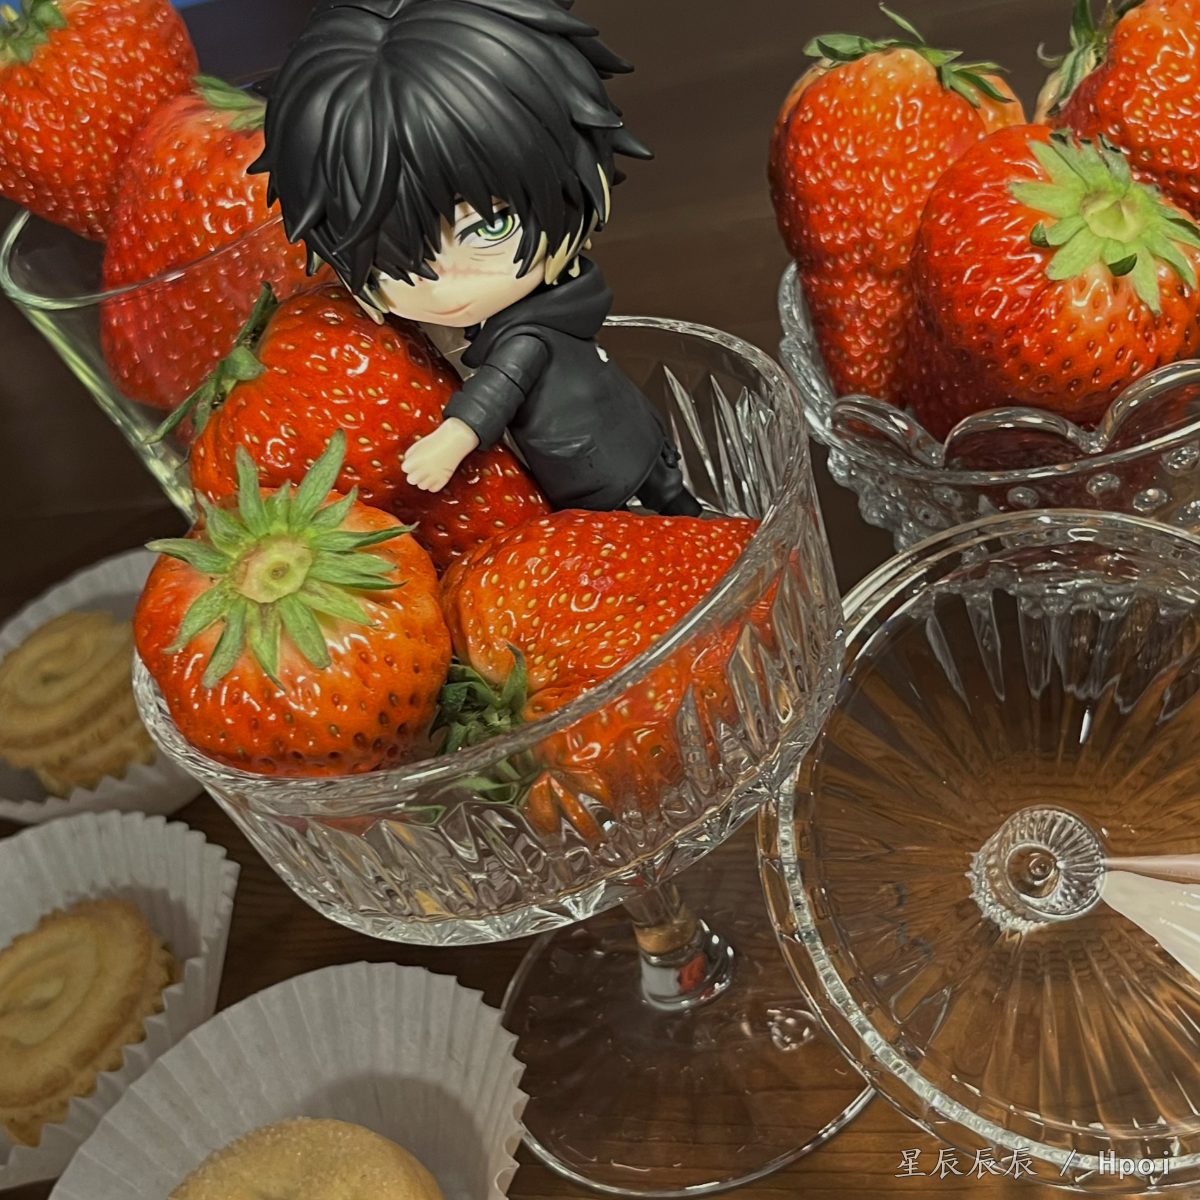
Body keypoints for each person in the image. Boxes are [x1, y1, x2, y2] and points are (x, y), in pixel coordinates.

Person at [251, 0, 703, 516]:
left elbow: (501, 385)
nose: (445, 282)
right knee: (668, 500)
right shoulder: (552, 308)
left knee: (656, 516)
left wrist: (453, 439)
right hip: (617, 437)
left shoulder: (530, 335)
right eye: (385, 255)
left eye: (490, 226)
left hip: (591, 460)